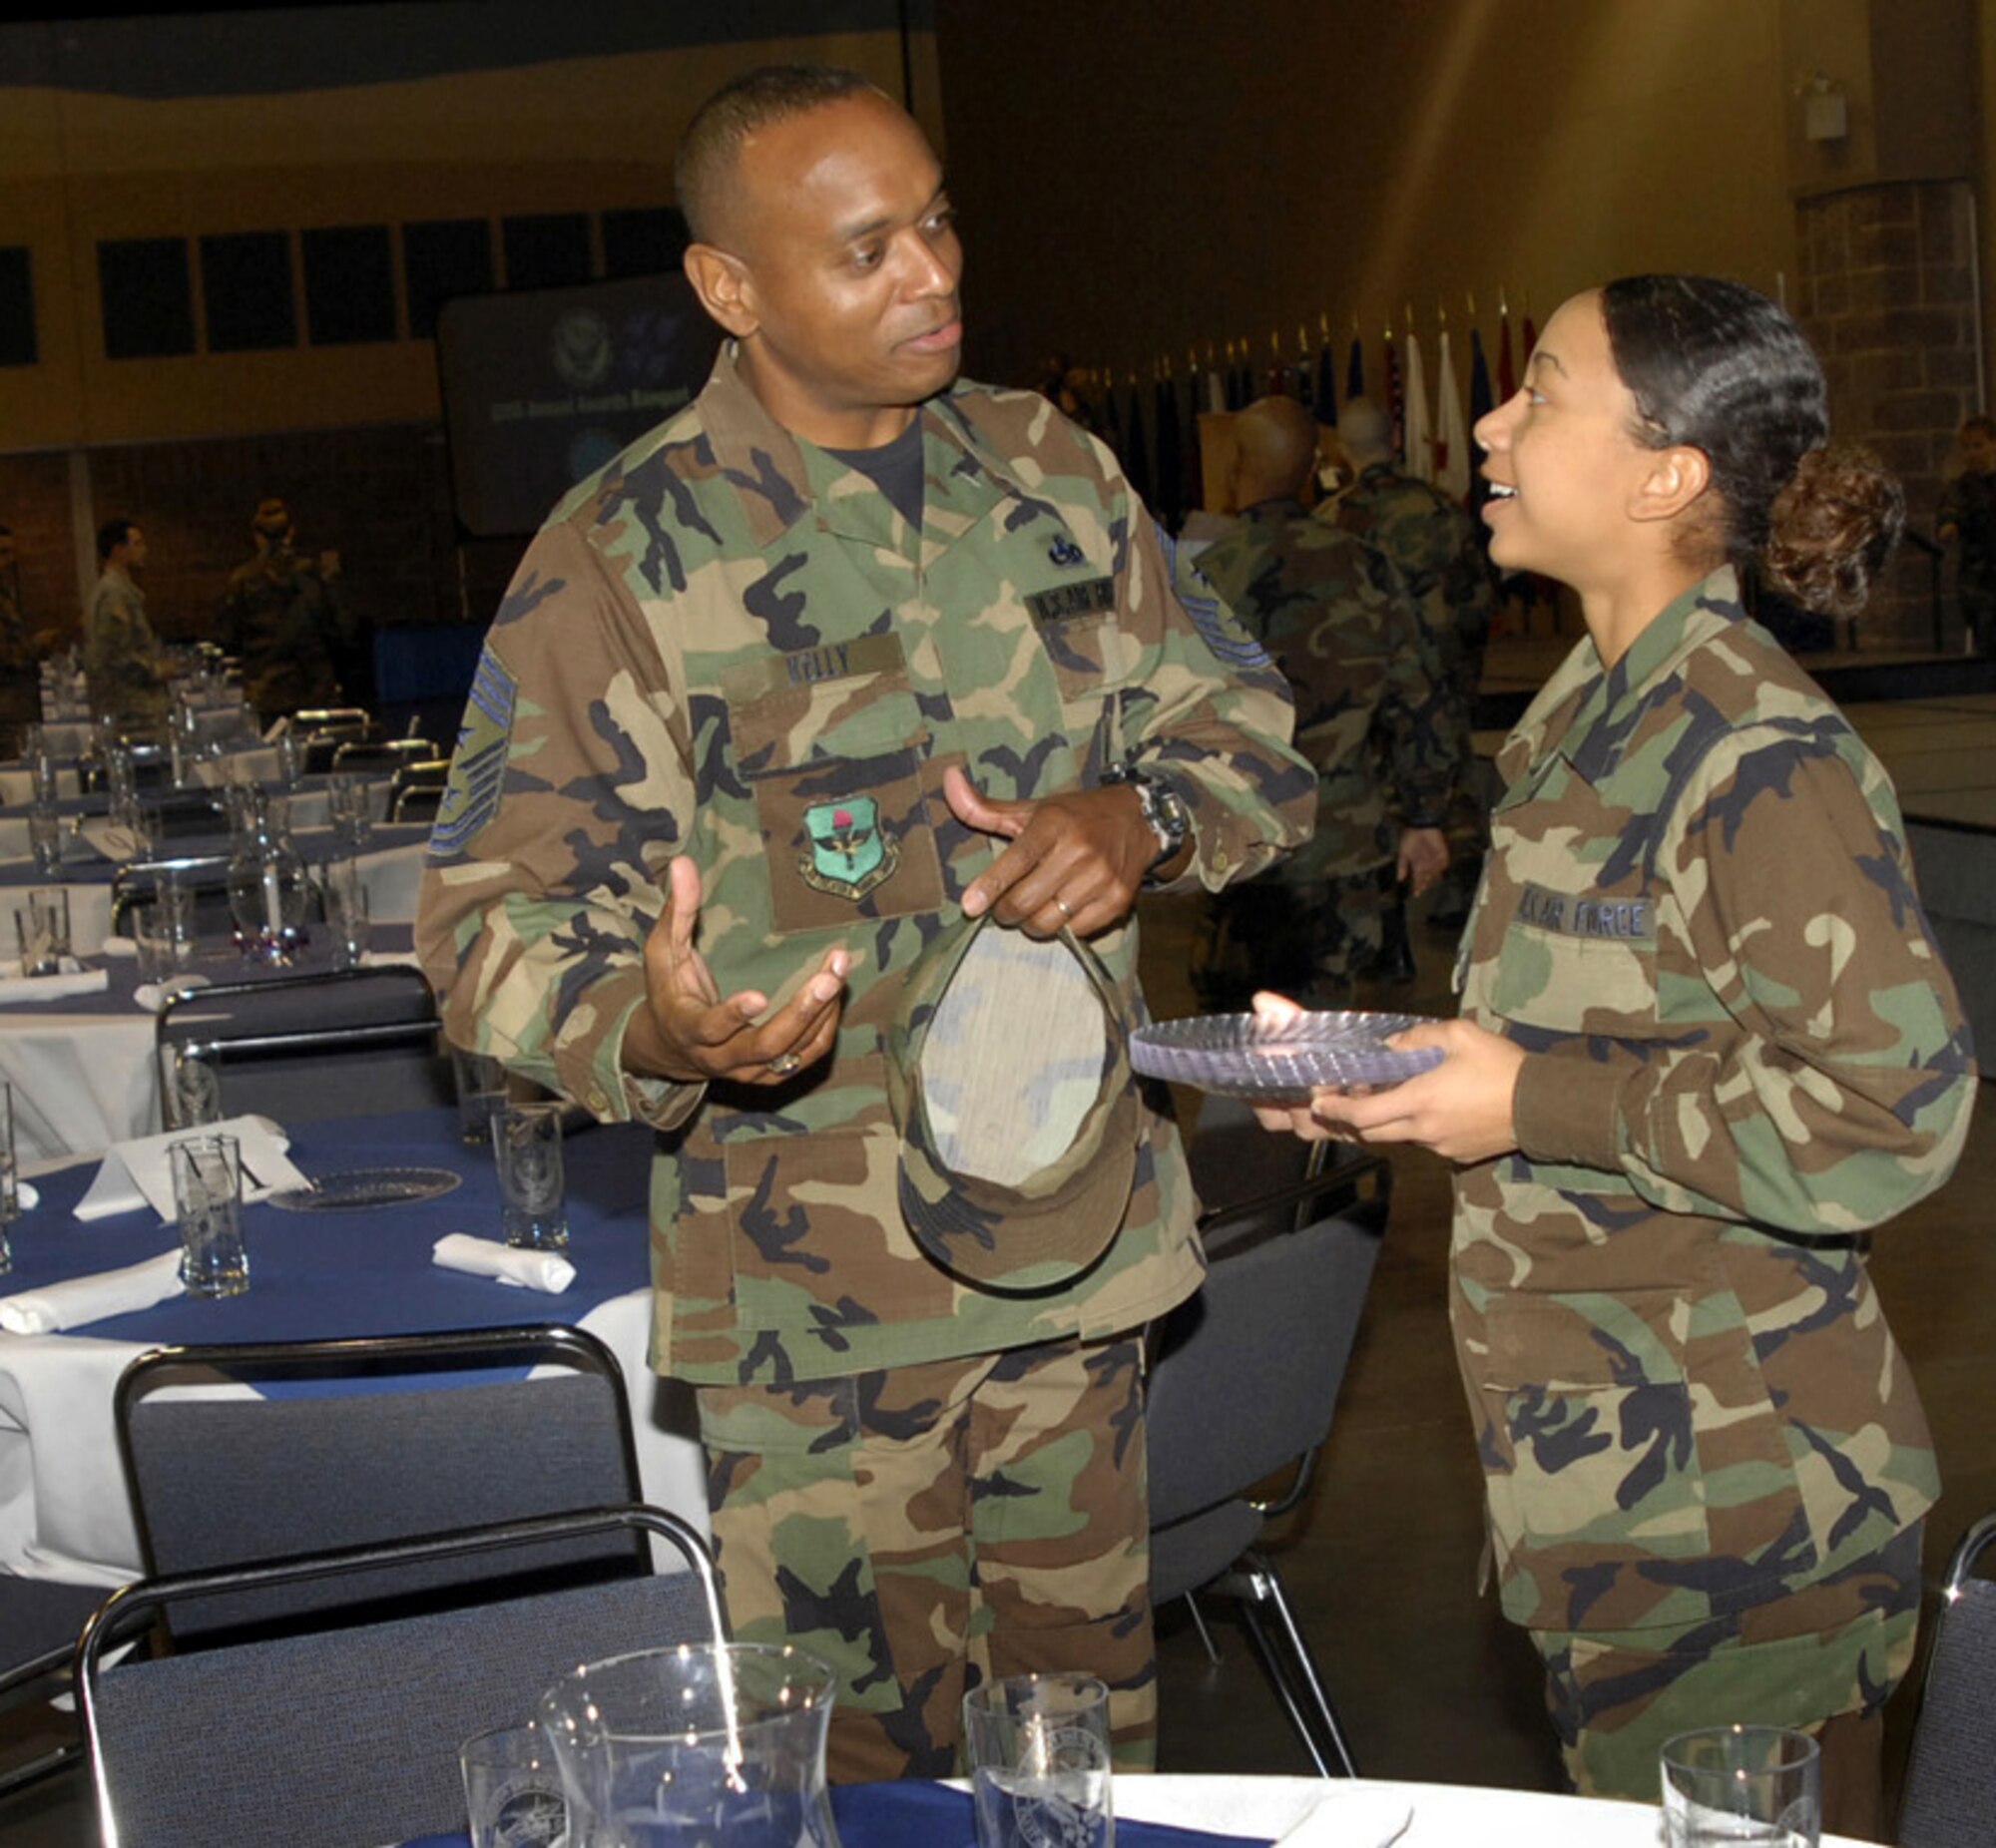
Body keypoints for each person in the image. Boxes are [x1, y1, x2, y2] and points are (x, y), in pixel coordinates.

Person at [414, 64, 1311, 1783]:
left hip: (1071, 1260)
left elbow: (1251, 731)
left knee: (1086, 1767)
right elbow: (483, 923)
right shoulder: (622, 557)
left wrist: (1146, 816)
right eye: (870, 246)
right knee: (862, 1789)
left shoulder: (1055, 470)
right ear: (729, 289)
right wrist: (655, 1030)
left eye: (942, 219)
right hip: (817, 1325)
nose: (937, 275)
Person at [1255, 276, 1975, 1836]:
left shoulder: (1751, 752)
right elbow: (1595, 1044)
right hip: (1612, 1494)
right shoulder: (1592, 723)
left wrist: (1527, 1098)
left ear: (1667, 476)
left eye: (1540, 390)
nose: (1494, 426)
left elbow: (1890, 1114)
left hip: (1745, 1528)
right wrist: (1410, 1079)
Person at [1193, 395, 1454, 1009]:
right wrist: (1425, 816)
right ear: (1313, 467)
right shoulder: (1368, 568)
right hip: (1346, 846)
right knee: (1330, 1039)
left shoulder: (1201, 582)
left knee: (1236, 1033)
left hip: (1238, 846)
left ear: (1237, 466)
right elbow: (1419, 701)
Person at [1325, 395, 1498, 929]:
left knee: (1375, 798)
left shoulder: (1331, 520)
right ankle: (1468, 906)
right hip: (1441, 674)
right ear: (1395, 439)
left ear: (1340, 448)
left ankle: (1388, 923)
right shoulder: (1441, 508)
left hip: (1366, 688)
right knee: (1456, 783)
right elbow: (1478, 600)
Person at [217, 497, 357, 722]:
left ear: (258, 537)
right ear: (291, 532)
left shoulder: (242, 580)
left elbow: (227, 636)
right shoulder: (316, 575)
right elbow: (344, 630)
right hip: (316, 690)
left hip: (266, 693)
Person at [85, 516, 170, 728]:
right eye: (137, 544)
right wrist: (155, 669)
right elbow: (114, 654)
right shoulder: (114, 594)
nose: (144, 550)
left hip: (134, 704)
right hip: (129, 707)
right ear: (118, 550)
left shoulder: (123, 591)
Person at [1935, 413, 1996, 657]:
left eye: (1979, 446)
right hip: (1979, 578)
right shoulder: (1961, 487)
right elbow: (1946, 522)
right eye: (1967, 447)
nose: (1973, 453)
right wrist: (1952, 524)